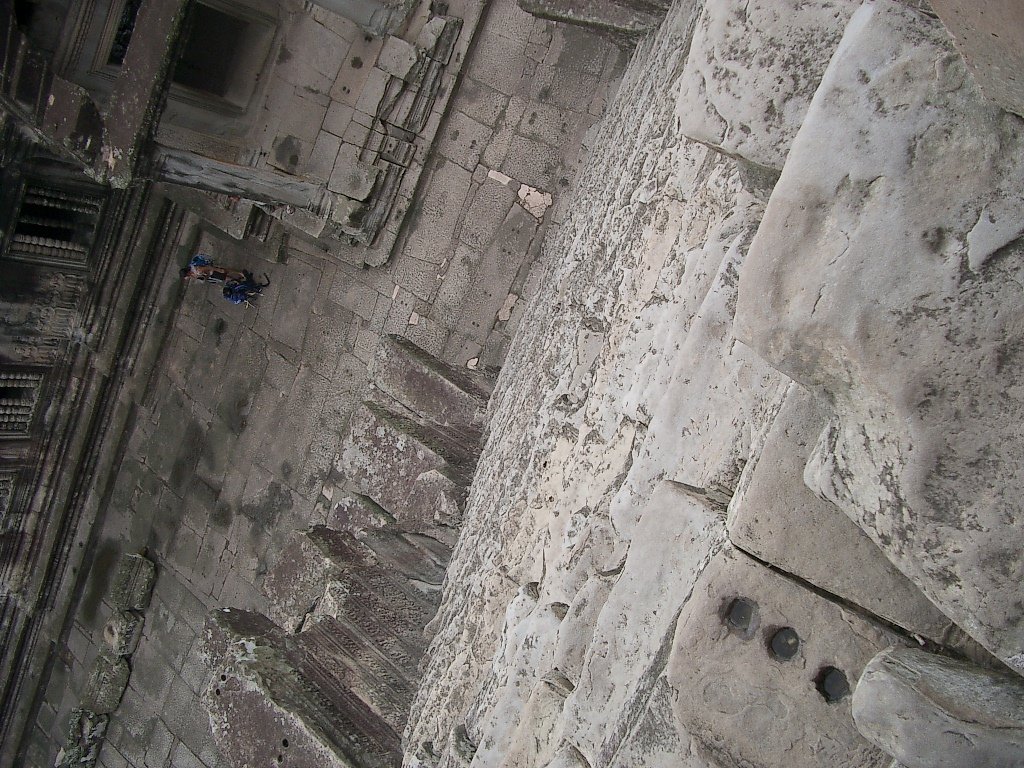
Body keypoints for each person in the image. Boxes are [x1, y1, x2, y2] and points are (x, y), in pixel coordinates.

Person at [180, 254, 247, 284]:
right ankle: (237, 279)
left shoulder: (197, 269)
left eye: (186, 276)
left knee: (226, 272)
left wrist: (218, 270)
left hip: (213, 272)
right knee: (225, 277)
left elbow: (208, 268)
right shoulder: (193, 273)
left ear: (187, 273)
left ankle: (240, 273)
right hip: (211, 275)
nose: (186, 278)